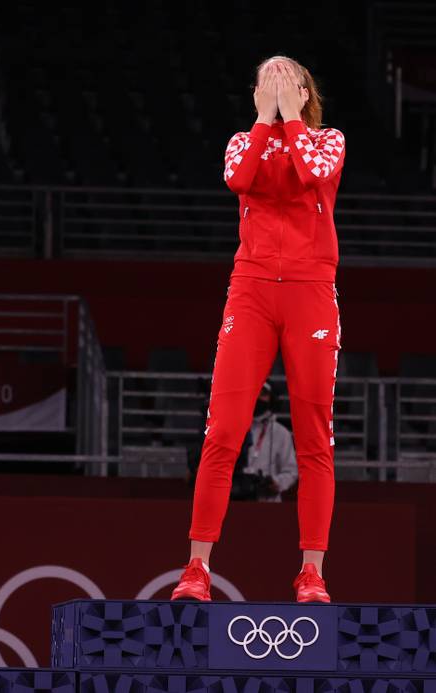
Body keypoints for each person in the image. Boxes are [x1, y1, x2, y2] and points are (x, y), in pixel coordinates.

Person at [171, 56, 344, 603]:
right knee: (222, 430)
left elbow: (314, 172)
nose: (270, 85)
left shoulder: (329, 140)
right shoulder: (242, 142)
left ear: (302, 90)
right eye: (262, 80)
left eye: (282, 77)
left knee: (316, 436)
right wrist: (266, 120)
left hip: (311, 292)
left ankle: (311, 570)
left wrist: (291, 119)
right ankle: (197, 567)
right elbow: (238, 178)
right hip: (250, 292)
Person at [230, 382, 298, 502]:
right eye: (255, 393)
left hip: (267, 502)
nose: (258, 398)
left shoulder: (281, 433)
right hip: (234, 499)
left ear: (272, 400)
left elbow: (291, 471)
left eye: (263, 394)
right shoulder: (233, 427)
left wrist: (276, 483)